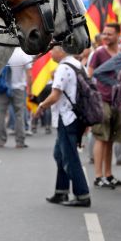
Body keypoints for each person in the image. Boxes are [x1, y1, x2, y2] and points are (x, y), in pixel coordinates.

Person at [35, 45, 91, 207]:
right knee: (60, 155)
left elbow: (55, 95)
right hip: (76, 116)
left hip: (67, 117)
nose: (50, 52)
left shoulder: (64, 67)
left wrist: (41, 106)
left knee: (69, 157)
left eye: (53, 49)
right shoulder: (77, 64)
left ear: (62, 51)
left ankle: (82, 194)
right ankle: (61, 192)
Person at [87, 22, 121, 188]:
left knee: (111, 139)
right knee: (101, 138)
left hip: (119, 101)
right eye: (104, 33)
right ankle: (98, 176)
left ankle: (109, 174)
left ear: (118, 35)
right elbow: (89, 74)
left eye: (110, 34)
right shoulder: (98, 53)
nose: (106, 36)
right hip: (103, 100)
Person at [0, 48, 33, 148]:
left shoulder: (3, 52)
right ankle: (20, 141)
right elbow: (29, 75)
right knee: (19, 115)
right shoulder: (24, 54)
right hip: (19, 88)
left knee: (1, 114)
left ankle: (0, 140)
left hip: (2, 88)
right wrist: (30, 90)